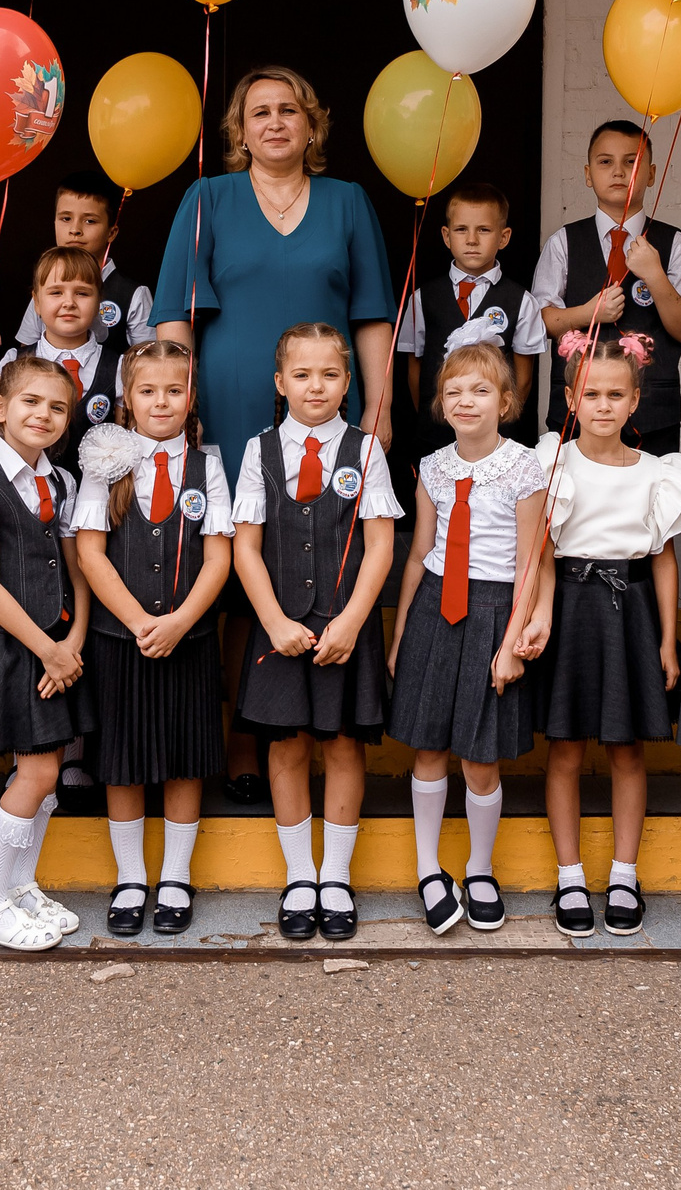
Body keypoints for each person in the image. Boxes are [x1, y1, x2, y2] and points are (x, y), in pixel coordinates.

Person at [152, 68, 395, 800]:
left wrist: (377, 412)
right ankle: (241, 736)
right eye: (260, 111)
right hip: (224, 410)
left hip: (325, 416)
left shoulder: (348, 203)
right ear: (239, 129)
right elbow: (173, 312)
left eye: (290, 108)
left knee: (311, 563)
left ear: (312, 123)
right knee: (231, 568)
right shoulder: (207, 198)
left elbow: (373, 315)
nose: (276, 122)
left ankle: (320, 728)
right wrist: (178, 401)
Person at [231, 323, 400, 942]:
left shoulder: (366, 450)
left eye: (329, 374)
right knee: (287, 744)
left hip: (344, 622)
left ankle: (335, 875)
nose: (315, 386)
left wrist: (353, 622)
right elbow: (245, 547)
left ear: (348, 382)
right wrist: (274, 621)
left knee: (344, 744)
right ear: (280, 383)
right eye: (301, 375)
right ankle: (300, 875)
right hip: (278, 626)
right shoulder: (260, 451)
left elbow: (380, 545)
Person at [531, 328, 681, 937]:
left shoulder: (660, 473)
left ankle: (624, 874)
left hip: (632, 614)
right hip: (569, 610)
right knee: (567, 747)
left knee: (628, 749)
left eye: (615, 394)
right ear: (572, 399)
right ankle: (570, 875)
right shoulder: (552, 462)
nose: (602, 405)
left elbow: (664, 559)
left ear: (634, 402)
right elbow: (540, 550)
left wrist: (666, 640)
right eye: (591, 393)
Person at [387, 336, 549, 936]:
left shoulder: (523, 466)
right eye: (453, 391)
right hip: (435, 606)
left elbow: (531, 560)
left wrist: (510, 643)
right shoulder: (433, 466)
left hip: (491, 608)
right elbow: (420, 552)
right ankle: (429, 869)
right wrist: (403, 630)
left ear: (505, 401)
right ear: (439, 403)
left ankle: (479, 869)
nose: (465, 400)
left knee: (480, 757)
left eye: (480, 390)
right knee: (428, 748)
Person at [74, 338, 233, 937]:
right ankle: (131, 877)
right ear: (127, 399)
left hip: (188, 639)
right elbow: (91, 553)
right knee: (124, 762)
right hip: (121, 639)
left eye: (174, 390)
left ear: (191, 397)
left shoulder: (208, 465)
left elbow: (218, 557)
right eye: (147, 391)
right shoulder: (106, 462)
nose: (160, 401)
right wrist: (141, 622)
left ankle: (173, 876)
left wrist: (179, 622)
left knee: (184, 760)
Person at [0, 354, 95, 952]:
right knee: (33, 771)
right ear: (0, 408)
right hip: (12, 648)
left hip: (58, 646)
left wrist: (74, 641)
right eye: (31, 402)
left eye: (58, 407)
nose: (45, 414)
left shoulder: (60, 481)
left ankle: (18, 884)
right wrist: (48, 651)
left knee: (49, 770)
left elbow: (79, 569)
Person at [533, 121, 681, 455]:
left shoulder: (678, 245)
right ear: (587, 174)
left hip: (652, 414)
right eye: (605, 162)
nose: (618, 171)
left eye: (632, 162)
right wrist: (587, 313)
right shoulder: (563, 243)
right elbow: (543, 320)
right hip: (577, 413)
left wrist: (655, 275)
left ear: (652, 174)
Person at [398, 181, 544, 449]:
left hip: (496, 438)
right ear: (446, 236)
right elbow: (415, 368)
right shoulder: (422, 298)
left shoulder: (522, 301)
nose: (472, 239)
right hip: (436, 436)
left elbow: (522, 379)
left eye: (484, 230)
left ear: (504, 237)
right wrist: (439, 415)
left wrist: (496, 420)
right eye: (461, 229)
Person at [0, 246, 118, 481]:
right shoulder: (14, 361)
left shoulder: (118, 365)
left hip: (98, 498)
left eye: (82, 293)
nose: (69, 302)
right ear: (36, 302)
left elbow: (127, 438)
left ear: (99, 302)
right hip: (27, 496)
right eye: (56, 293)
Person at [17, 168, 153, 385]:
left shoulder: (133, 294)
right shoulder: (46, 285)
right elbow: (26, 352)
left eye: (89, 221)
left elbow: (149, 364)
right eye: (65, 218)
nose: (75, 230)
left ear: (112, 232)